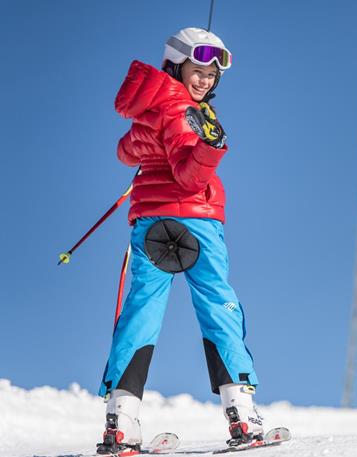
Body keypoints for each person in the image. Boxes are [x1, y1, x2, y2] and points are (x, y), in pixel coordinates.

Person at [96, 27, 264, 454]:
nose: (205, 80)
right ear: (174, 65)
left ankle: (120, 420)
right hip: (196, 221)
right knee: (217, 305)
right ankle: (242, 415)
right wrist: (212, 147)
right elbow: (190, 175)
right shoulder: (183, 110)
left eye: (212, 74)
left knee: (141, 311)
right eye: (197, 69)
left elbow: (126, 151)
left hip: (150, 224)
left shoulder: (150, 107)